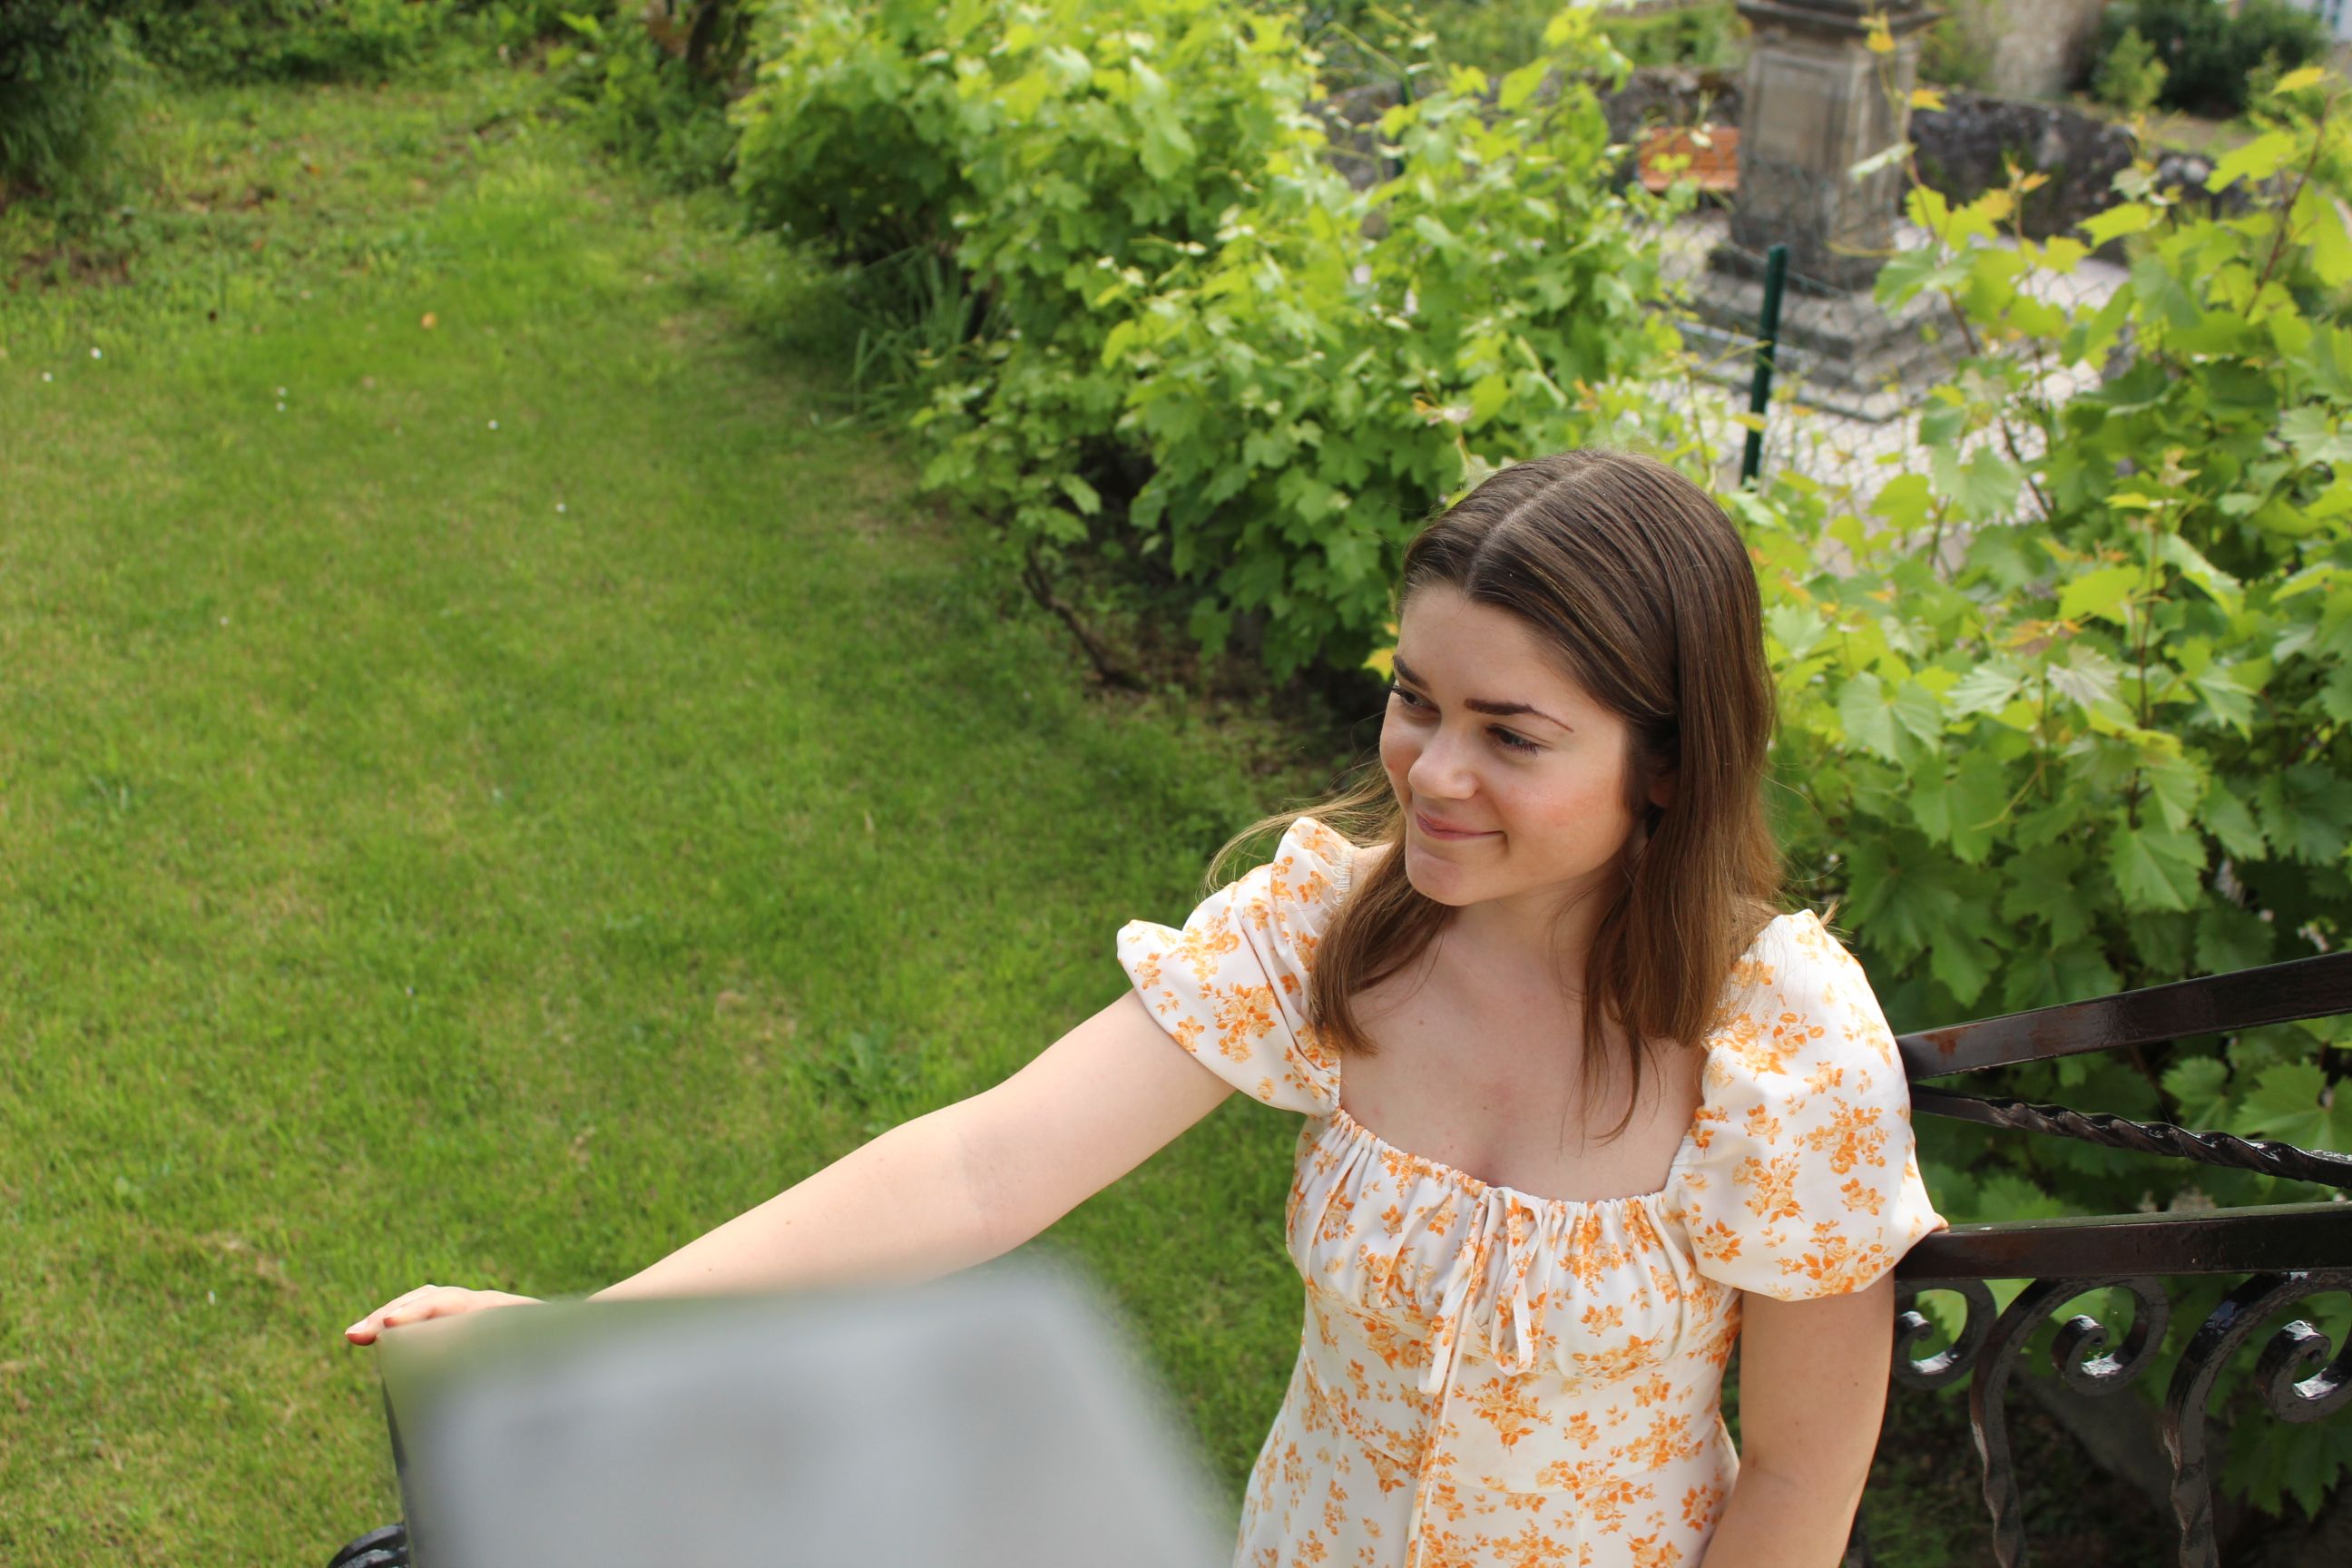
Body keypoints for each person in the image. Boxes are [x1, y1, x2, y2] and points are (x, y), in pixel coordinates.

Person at [346, 448, 1949, 1566]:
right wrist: (585, 1337)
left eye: (1510, 735)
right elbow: (983, 1166)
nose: (1431, 772)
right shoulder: (1339, 932)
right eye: (1414, 699)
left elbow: (1799, 1477)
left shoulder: (1781, 1042)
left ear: (1666, 762)